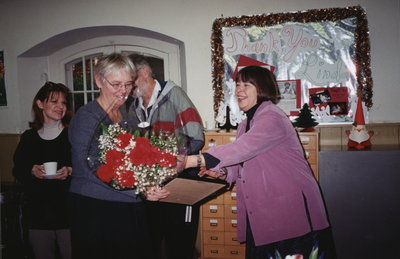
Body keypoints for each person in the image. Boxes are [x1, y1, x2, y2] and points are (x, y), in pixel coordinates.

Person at [184, 66, 335, 259]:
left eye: (246, 85)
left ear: (262, 88)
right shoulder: (246, 124)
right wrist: (222, 172)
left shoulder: (271, 117)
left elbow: (242, 148)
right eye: (237, 85)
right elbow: (241, 165)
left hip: (290, 214)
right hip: (264, 215)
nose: (239, 90)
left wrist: (193, 160)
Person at [68, 53, 168, 259]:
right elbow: (88, 168)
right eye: (116, 84)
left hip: (127, 205)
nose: (123, 91)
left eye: (128, 84)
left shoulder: (128, 116)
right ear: (98, 80)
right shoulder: (87, 117)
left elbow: (136, 160)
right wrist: (139, 190)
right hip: (96, 209)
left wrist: (151, 178)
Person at [127, 54, 205, 259]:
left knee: (179, 247)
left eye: (130, 78)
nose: (127, 85)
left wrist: (170, 163)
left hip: (180, 186)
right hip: (151, 188)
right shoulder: (134, 106)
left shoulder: (174, 94)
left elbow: (196, 137)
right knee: (151, 245)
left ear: (144, 72)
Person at [13, 81, 73, 259]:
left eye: (63, 103)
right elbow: (17, 170)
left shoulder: (72, 134)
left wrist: (70, 170)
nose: (60, 107)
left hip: (68, 212)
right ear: (40, 104)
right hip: (38, 214)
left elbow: (87, 165)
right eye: (54, 101)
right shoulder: (29, 137)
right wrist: (31, 170)